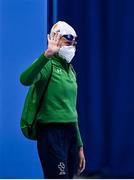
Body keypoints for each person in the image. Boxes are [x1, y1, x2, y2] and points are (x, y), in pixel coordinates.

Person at [20, 21, 85, 179]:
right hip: (51, 133)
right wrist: (46, 55)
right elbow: (25, 79)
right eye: (67, 42)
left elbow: (72, 111)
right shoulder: (48, 64)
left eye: (74, 43)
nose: (72, 46)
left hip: (70, 133)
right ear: (56, 40)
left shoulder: (71, 71)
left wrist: (80, 146)